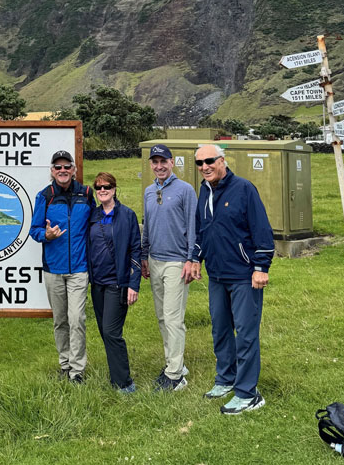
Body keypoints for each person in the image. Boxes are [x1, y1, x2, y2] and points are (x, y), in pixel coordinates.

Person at [191, 144, 275, 414]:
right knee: (220, 329)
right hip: (217, 275)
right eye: (199, 163)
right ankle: (226, 379)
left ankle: (248, 393)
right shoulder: (204, 191)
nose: (204, 167)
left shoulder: (244, 189)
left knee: (246, 334)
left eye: (209, 161)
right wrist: (196, 258)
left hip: (244, 276)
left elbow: (261, 229)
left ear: (222, 161)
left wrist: (261, 266)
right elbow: (203, 230)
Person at [30, 150, 94, 383]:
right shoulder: (44, 196)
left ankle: (77, 370)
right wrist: (46, 234)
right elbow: (34, 230)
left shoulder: (86, 194)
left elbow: (94, 226)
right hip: (53, 269)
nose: (63, 170)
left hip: (79, 268)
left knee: (77, 319)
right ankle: (65, 364)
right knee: (60, 320)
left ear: (74, 170)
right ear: (52, 171)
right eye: (58, 167)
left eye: (67, 166)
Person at [141, 144, 197, 392]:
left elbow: (194, 227)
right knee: (162, 317)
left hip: (177, 262)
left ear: (172, 162)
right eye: (155, 162)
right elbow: (147, 225)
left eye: (163, 161)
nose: (159, 166)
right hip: (155, 260)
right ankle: (174, 364)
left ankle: (175, 376)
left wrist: (191, 259)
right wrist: (144, 256)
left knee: (174, 318)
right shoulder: (149, 191)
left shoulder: (186, 190)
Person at [87, 172, 141, 393]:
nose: (102, 190)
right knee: (103, 331)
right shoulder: (93, 215)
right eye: (98, 187)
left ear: (114, 188)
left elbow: (136, 250)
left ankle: (125, 383)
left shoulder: (127, 215)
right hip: (97, 283)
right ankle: (116, 376)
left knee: (111, 331)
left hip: (116, 283)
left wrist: (133, 284)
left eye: (106, 186)